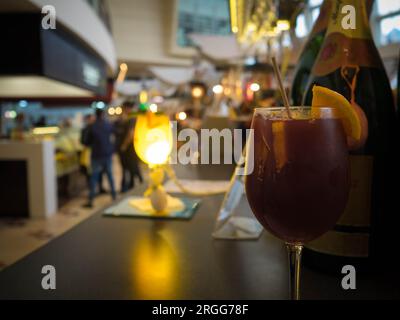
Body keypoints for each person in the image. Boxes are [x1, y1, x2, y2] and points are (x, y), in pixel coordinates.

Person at [82, 108, 116, 208]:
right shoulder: (108, 125)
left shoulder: (92, 126)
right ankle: (114, 197)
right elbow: (114, 134)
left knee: (94, 177)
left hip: (96, 155)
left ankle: (91, 200)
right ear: (103, 114)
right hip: (107, 154)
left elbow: (86, 141)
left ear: (95, 115)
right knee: (110, 176)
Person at [114, 102, 143, 192]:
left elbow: (131, 134)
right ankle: (130, 185)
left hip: (129, 149)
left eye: (123, 108)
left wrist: (124, 146)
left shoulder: (132, 118)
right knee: (130, 168)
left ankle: (132, 186)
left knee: (130, 167)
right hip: (130, 148)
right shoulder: (129, 118)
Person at [80, 114, 107, 194]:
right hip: (89, 153)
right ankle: (92, 190)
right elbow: (83, 141)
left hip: (97, 153)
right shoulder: (86, 129)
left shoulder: (94, 128)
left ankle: (99, 188)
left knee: (99, 171)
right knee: (90, 172)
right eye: (91, 119)